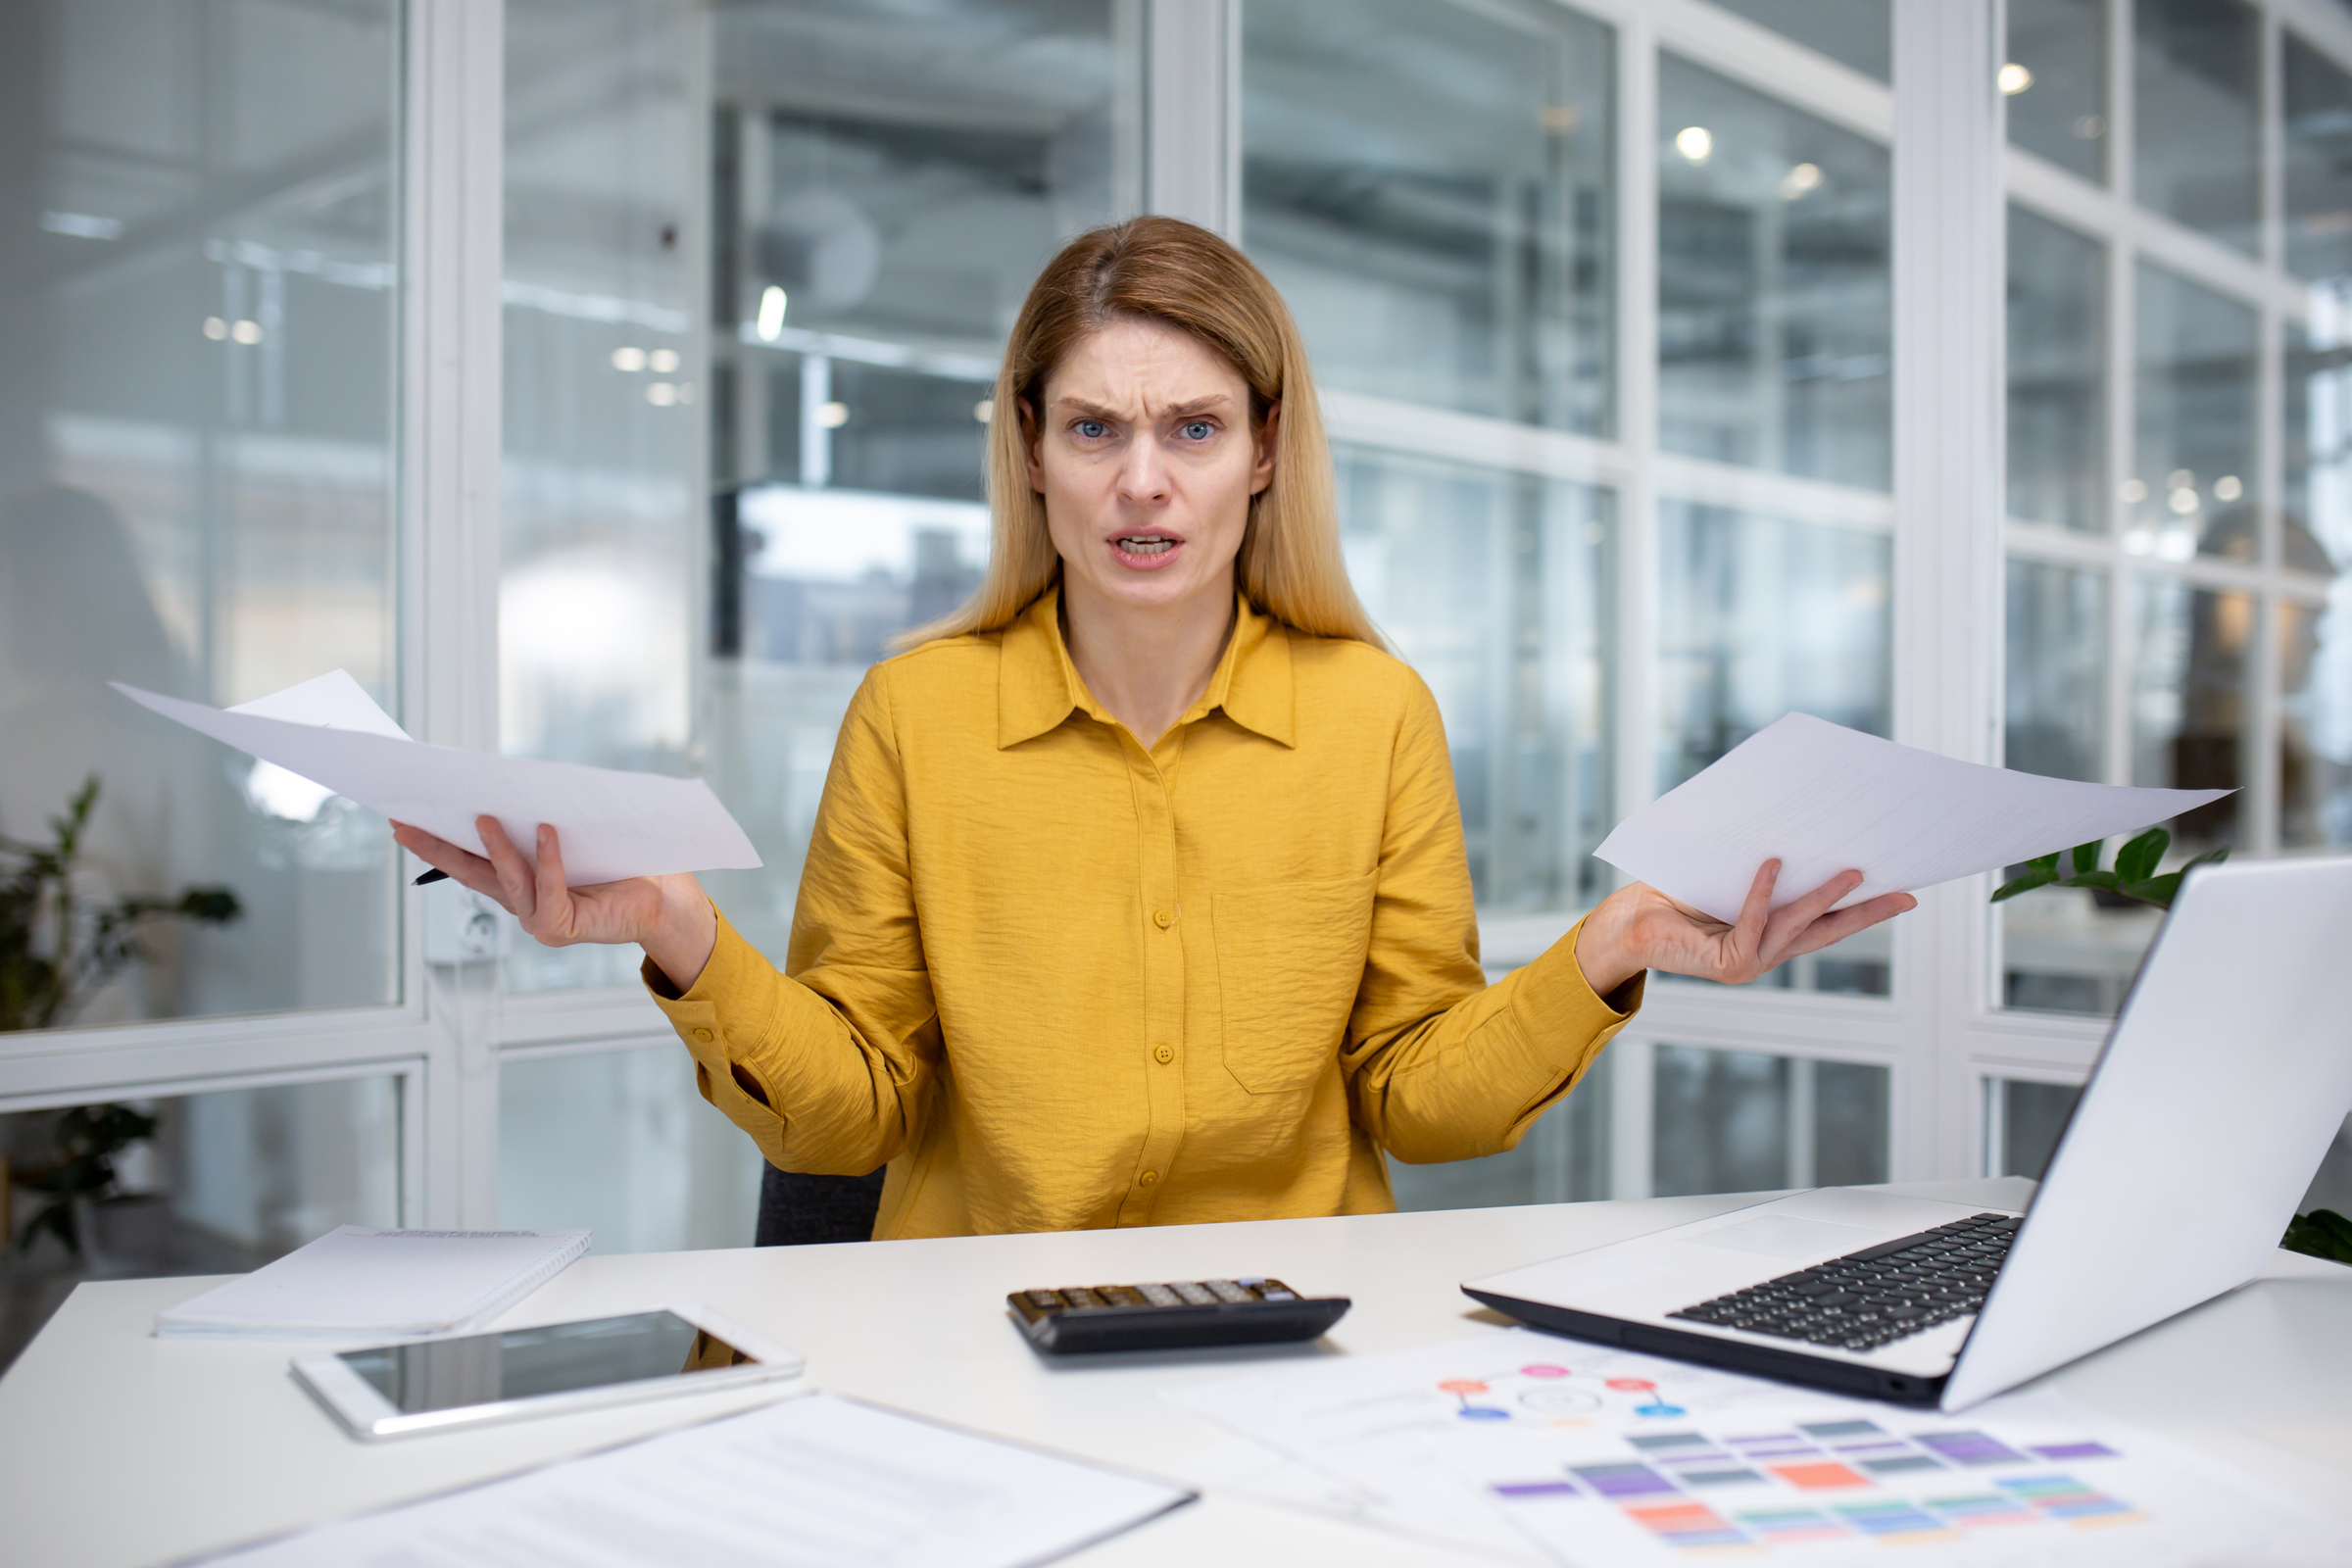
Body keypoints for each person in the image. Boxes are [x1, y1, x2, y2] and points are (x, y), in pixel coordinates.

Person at [395, 217, 1913, 1240]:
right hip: (969, 1331)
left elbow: (1420, 1106)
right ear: (1033, 451)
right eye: (1096, 429)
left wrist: (1617, 946)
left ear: (1263, 455)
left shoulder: (1372, 713)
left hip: (1299, 1336)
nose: (1144, 482)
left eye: (1193, 429)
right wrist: (679, 932)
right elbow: (847, 1124)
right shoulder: (917, 711)